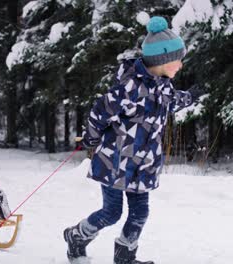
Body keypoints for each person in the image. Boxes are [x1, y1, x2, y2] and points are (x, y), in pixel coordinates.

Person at [63, 16, 203, 264]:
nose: (181, 65)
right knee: (111, 212)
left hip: (145, 162)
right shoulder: (128, 88)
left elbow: (171, 103)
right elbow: (99, 111)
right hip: (116, 160)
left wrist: (190, 97)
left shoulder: (164, 86)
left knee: (140, 212)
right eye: (178, 60)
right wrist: (91, 139)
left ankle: (125, 257)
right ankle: (76, 236)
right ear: (162, 60)